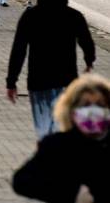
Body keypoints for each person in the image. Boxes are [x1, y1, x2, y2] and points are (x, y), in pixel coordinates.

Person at [6, 0, 96, 140]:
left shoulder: (30, 16)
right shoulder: (74, 16)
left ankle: (47, 160)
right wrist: (89, 61)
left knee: (44, 131)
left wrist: (11, 81)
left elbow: (18, 50)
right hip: (67, 81)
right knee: (65, 129)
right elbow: (86, 41)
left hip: (38, 82)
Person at [12, 74, 110, 203]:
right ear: (72, 112)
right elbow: (22, 181)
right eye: (86, 105)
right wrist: (71, 193)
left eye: (99, 105)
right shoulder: (57, 145)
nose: (92, 111)